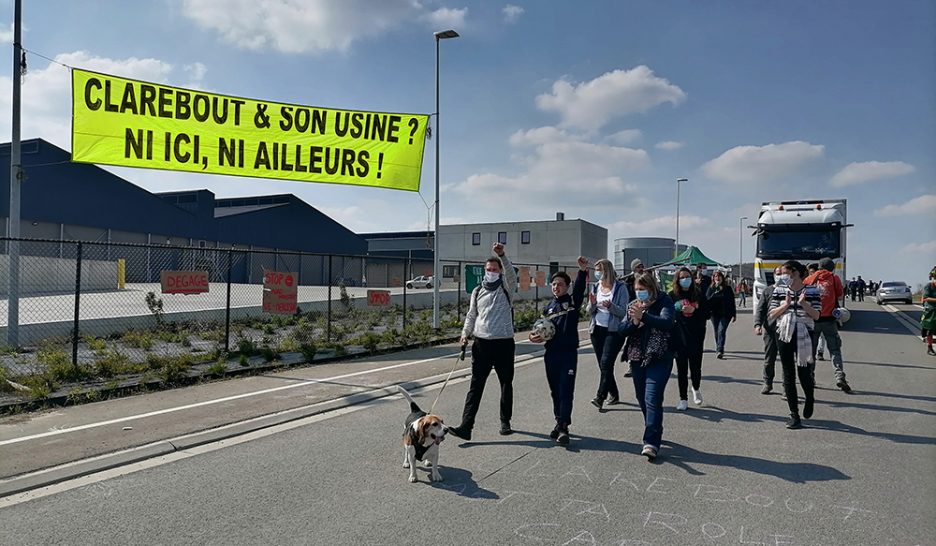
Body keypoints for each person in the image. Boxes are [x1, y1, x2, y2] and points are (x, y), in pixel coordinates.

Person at [449, 243, 518, 441]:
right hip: (481, 344)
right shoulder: (477, 291)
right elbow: (472, 315)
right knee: (476, 385)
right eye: (488, 270)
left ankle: (505, 421)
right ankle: (466, 426)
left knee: (506, 383)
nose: (491, 273)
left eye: (494, 270)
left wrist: (502, 255)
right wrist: (465, 334)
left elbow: (512, 274)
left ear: (500, 272)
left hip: (503, 342)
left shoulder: (507, 287)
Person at [529, 258, 588, 444]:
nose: (556, 287)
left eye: (560, 284)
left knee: (566, 389)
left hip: (568, 352)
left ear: (567, 287)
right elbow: (539, 329)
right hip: (551, 353)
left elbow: (579, 289)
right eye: (554, 284)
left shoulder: (571, 302)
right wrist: (533, 337)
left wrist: (582, 271)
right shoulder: (548, 308)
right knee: (555, 390)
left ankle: (564, 426)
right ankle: (558, 421)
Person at [619, 273, 675, 460]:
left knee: (652, 396)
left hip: (659, 356)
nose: (639, 292)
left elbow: (667, 322)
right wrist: (634, 322)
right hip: (637, 357)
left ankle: (651, 441)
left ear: (651, 288)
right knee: (641, 397)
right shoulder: (633, 306)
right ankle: (654, 426)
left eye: (643, 289)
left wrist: (644, 317)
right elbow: (622, 330)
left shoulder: (663, 300)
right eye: (637, 289)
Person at [767, 260, 821, 429]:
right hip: (783, 332)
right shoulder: (779, 290)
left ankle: (809, 397)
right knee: (788, 372)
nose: (783, 276)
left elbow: (817, 315)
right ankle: (793, 414)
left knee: (804, 371)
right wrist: (786, 305)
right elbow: (772, 313)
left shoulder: (812, 290)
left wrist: (804, 304)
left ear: (795, 272)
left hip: (805, 332)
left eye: (785, 272)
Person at [586, 258, 630, 410]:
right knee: (603, 365)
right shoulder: (595, 287)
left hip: (614, 331)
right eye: (596, 270)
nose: (597, 273)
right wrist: (592, 304)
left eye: (600, 269)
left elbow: (623, 311)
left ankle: (600, 396)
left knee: (606, 362)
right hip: (597, 329)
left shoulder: (620, 288)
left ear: (607, 270)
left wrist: (611, 306)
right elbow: (589, 311)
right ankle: (614, 393)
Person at [804, 257, 850, 392]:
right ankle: (839, 376)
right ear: (832, 267)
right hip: (829, 320)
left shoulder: (810, 279)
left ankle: (810, 377)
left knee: (811, 351)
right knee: (835, 349)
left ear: (819, 267)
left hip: (813, 319)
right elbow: (840, 296)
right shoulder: (834, 278)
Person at [669, 266, 710, 410]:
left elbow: (707, 314)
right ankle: (683, 399)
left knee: (695, 367)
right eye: (681, 277)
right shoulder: (672, 295)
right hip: (679, 336)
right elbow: (667, 314)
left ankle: (696, 388)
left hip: (696, 335)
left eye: (687, 277)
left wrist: (695, 309)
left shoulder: (699, 294)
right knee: (681, 369)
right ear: (677, 280)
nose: (685, 280)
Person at [754, 267, 784, 394]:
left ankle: (786, 388)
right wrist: (757, 325)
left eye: (783, 274)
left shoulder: (790, 291)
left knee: (786, 361)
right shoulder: (768, 291)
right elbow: (760, 309)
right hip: (770, 330)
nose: (781, 276)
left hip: (786, 331)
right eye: (778, 274)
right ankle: (768, 383)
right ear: (774, 275)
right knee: (769, 359)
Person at [620, 258, 646, 377]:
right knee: (632, 340)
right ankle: (632, 365)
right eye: (638, 267)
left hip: (645, 310)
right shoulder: (627, 282)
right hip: (632, 312)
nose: (640, 269)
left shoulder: (647, 280)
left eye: (641, 266)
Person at [706, 270, 737, 359]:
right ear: (713, 278)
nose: (717, 278)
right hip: (714, 314)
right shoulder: (711, 288)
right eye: (715, 276)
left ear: (722, 278)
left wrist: (734, 314)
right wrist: (715, 293)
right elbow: (707, 300)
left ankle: (720, 350)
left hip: (726, 314)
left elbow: (732, 302)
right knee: (717, 331)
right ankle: (718, 347)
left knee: (721, 330)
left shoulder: (728, 289)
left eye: (719, 276)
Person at [922, 270, 936, 356]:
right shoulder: (929, 286)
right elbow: (926, 298)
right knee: (930, 329)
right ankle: (929, 347)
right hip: (931, 310)